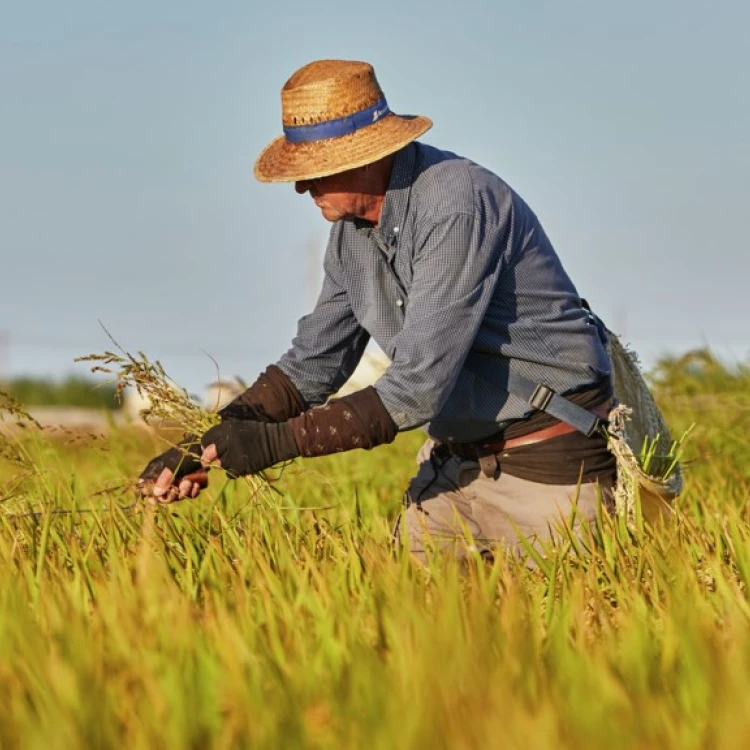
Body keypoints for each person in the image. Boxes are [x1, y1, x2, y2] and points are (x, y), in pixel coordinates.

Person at [138, 59, 616, 562]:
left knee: (558, 631)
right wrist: (203, 443)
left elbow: (417, 388)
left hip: (548, 471)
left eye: (316, 172)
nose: (303, 188)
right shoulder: (350, 239)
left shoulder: (455, 205)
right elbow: (311, 366)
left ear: (368, 156)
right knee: (396, 628)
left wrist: (273, 444)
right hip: (454, 469)